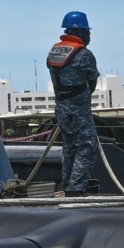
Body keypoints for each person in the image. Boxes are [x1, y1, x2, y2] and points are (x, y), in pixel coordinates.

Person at [47, 12, 106, 195]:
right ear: (80, 31)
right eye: (87, 32)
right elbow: (93, 81)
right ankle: (76, 189)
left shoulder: (54, 52)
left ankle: (67, 186)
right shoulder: (84, 55)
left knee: (69, 147)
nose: (89, 36)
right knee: (87, 147)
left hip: (62, 109)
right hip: (79, 110)